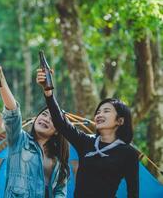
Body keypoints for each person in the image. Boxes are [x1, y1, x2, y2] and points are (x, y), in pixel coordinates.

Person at [36, 68, 139, 198]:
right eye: (98, 112)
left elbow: (133, 193)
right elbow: (61, 123)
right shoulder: (86, 142)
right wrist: (48, 93)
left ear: (120, 120)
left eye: (106, 111)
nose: (99, 115)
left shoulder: (128, 153)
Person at [0, 66, 70, 198]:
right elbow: (12, 113)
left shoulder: (59, 161)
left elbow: (60, 192)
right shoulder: (19, 140)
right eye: (44, 114)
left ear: (57, 131)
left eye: (52, 119)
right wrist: (1, 82)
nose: (46, 119)